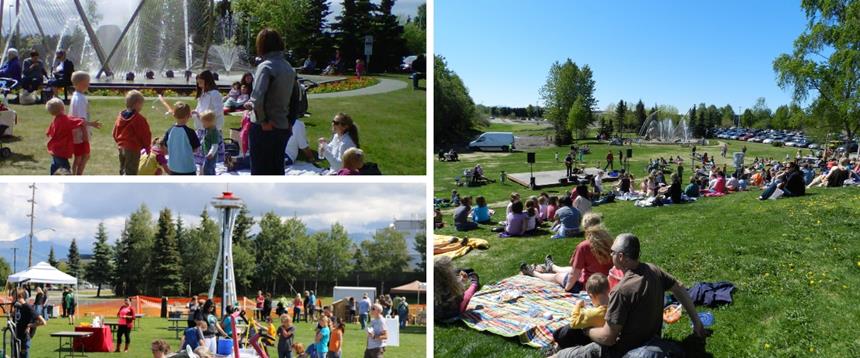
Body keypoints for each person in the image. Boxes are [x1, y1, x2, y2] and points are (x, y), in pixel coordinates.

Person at [551, 234, 708, 358]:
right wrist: (697, 322)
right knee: (570, 332)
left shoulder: (622, 290)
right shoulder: (653, 270)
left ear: (620, 257)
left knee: (563, 354)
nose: (610, 254)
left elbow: (608, 338)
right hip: (650, 338)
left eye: (612, 252)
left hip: (620, 350)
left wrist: (587, 330)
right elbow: (679, 288)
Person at [245, 28, 296, 175]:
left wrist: (263, 120)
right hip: (282, 126)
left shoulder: (266, 66)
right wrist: (290, 122)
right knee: (277, 168)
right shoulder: (289, 68)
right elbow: (295, 99)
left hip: (265, 128)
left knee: (260, 171)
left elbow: (258, 98)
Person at [523, 214, 612, 292]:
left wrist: (567, 288)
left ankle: (533, 273)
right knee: (572, 269)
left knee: (558, 276)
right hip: (605, 283)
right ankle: (552, 266)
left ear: (585, 228)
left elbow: (574, 273)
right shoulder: (610, 242)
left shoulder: (584, 246)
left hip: (591, 286)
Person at [551, 273, 611, 350]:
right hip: (607, 338)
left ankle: (559, 346)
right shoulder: (615, 305)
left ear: (591, 296)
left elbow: (574, 323)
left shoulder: (593, 314)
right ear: (608, 289)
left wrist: (577, 306)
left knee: (567, 330)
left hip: (594, 341)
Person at [67, 71, 100, 175]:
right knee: (83, 156)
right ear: (81, 83)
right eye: (87, 82)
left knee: (81, 155)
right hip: (81, 133)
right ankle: (78, 175)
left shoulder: (76, 96)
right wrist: (91, 125)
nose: (89, 84)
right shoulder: (80, 99)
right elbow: (80, 120)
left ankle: (76, 174)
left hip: (77, 132)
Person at [45, 98, 88, 175]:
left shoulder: (55, 120)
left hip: (55, 150)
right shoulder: (65, 120)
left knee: (55, 166)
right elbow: (78, 121)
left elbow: (49, 131)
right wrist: (83, 120)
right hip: (62, 151)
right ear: (63, 108)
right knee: (65, 169)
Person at [112, 90, 151, 175]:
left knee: (123, 168)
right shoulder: (139, 119)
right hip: (132, 148)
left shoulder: (120, 116)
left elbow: (115, 131)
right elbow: (145, 134)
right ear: (137, 104)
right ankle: (129, 187)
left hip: (121, 147)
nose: (141, 107)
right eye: (141, 104)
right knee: (131, 170)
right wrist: (147, 146)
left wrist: (119, 142)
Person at [162, 102, 201, 175]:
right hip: (188, 169)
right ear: (188, 116)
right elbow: (196, 149)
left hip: (173, 168)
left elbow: (165, 149)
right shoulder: (190, 132)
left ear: (174, 115)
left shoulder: (169, 131)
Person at [12, 287, 45, 358]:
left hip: (24, 338)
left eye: (13, 296)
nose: (12, 298)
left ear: (19, 296)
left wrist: (31, 325)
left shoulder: (28, 307)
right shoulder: (17, 306)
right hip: (16, 337)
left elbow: (43, 322)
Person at [198, 111, 221, 175]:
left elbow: (215, 145)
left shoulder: (213, 132)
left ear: (210, 122)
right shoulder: (208, 128)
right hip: (207, 154)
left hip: (211, 156)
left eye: (203, 123)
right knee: (211, 168)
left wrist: (211, 153)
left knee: (207, 169)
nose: (202, 125)